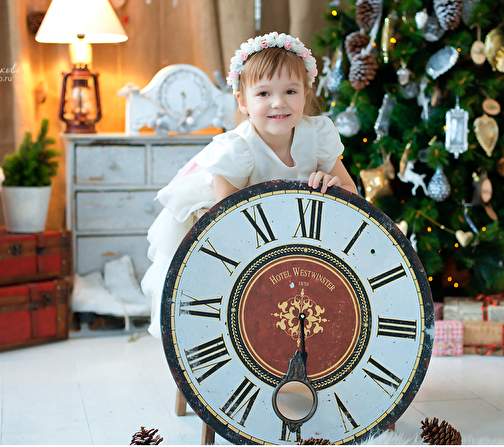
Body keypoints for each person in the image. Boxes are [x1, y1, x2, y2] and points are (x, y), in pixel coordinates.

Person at [140, 31, 356, 338]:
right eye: (264, 94)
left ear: (306, 93)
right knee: (219, 301)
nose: (279, 103)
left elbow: (351, 192)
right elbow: (225, 223)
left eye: (291, 91)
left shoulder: (317, 134)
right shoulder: (237, 149)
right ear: (243, 101)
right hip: (223, 226)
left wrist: (333, 186)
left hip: (288, 231)